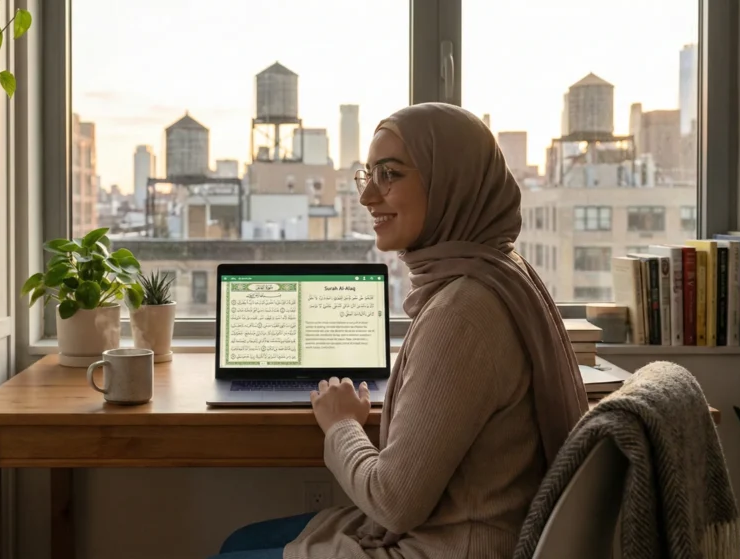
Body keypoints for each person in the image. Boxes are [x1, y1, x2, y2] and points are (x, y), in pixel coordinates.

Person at [209, 103, 588, 559]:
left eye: (389, 174)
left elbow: (392, 502)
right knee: (238, 542)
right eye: (367, 174)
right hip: (459, 529)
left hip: (452, 548)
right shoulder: (499, 271)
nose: (367, 196)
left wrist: (342, 424)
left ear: (450, 182)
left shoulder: (462, 314)